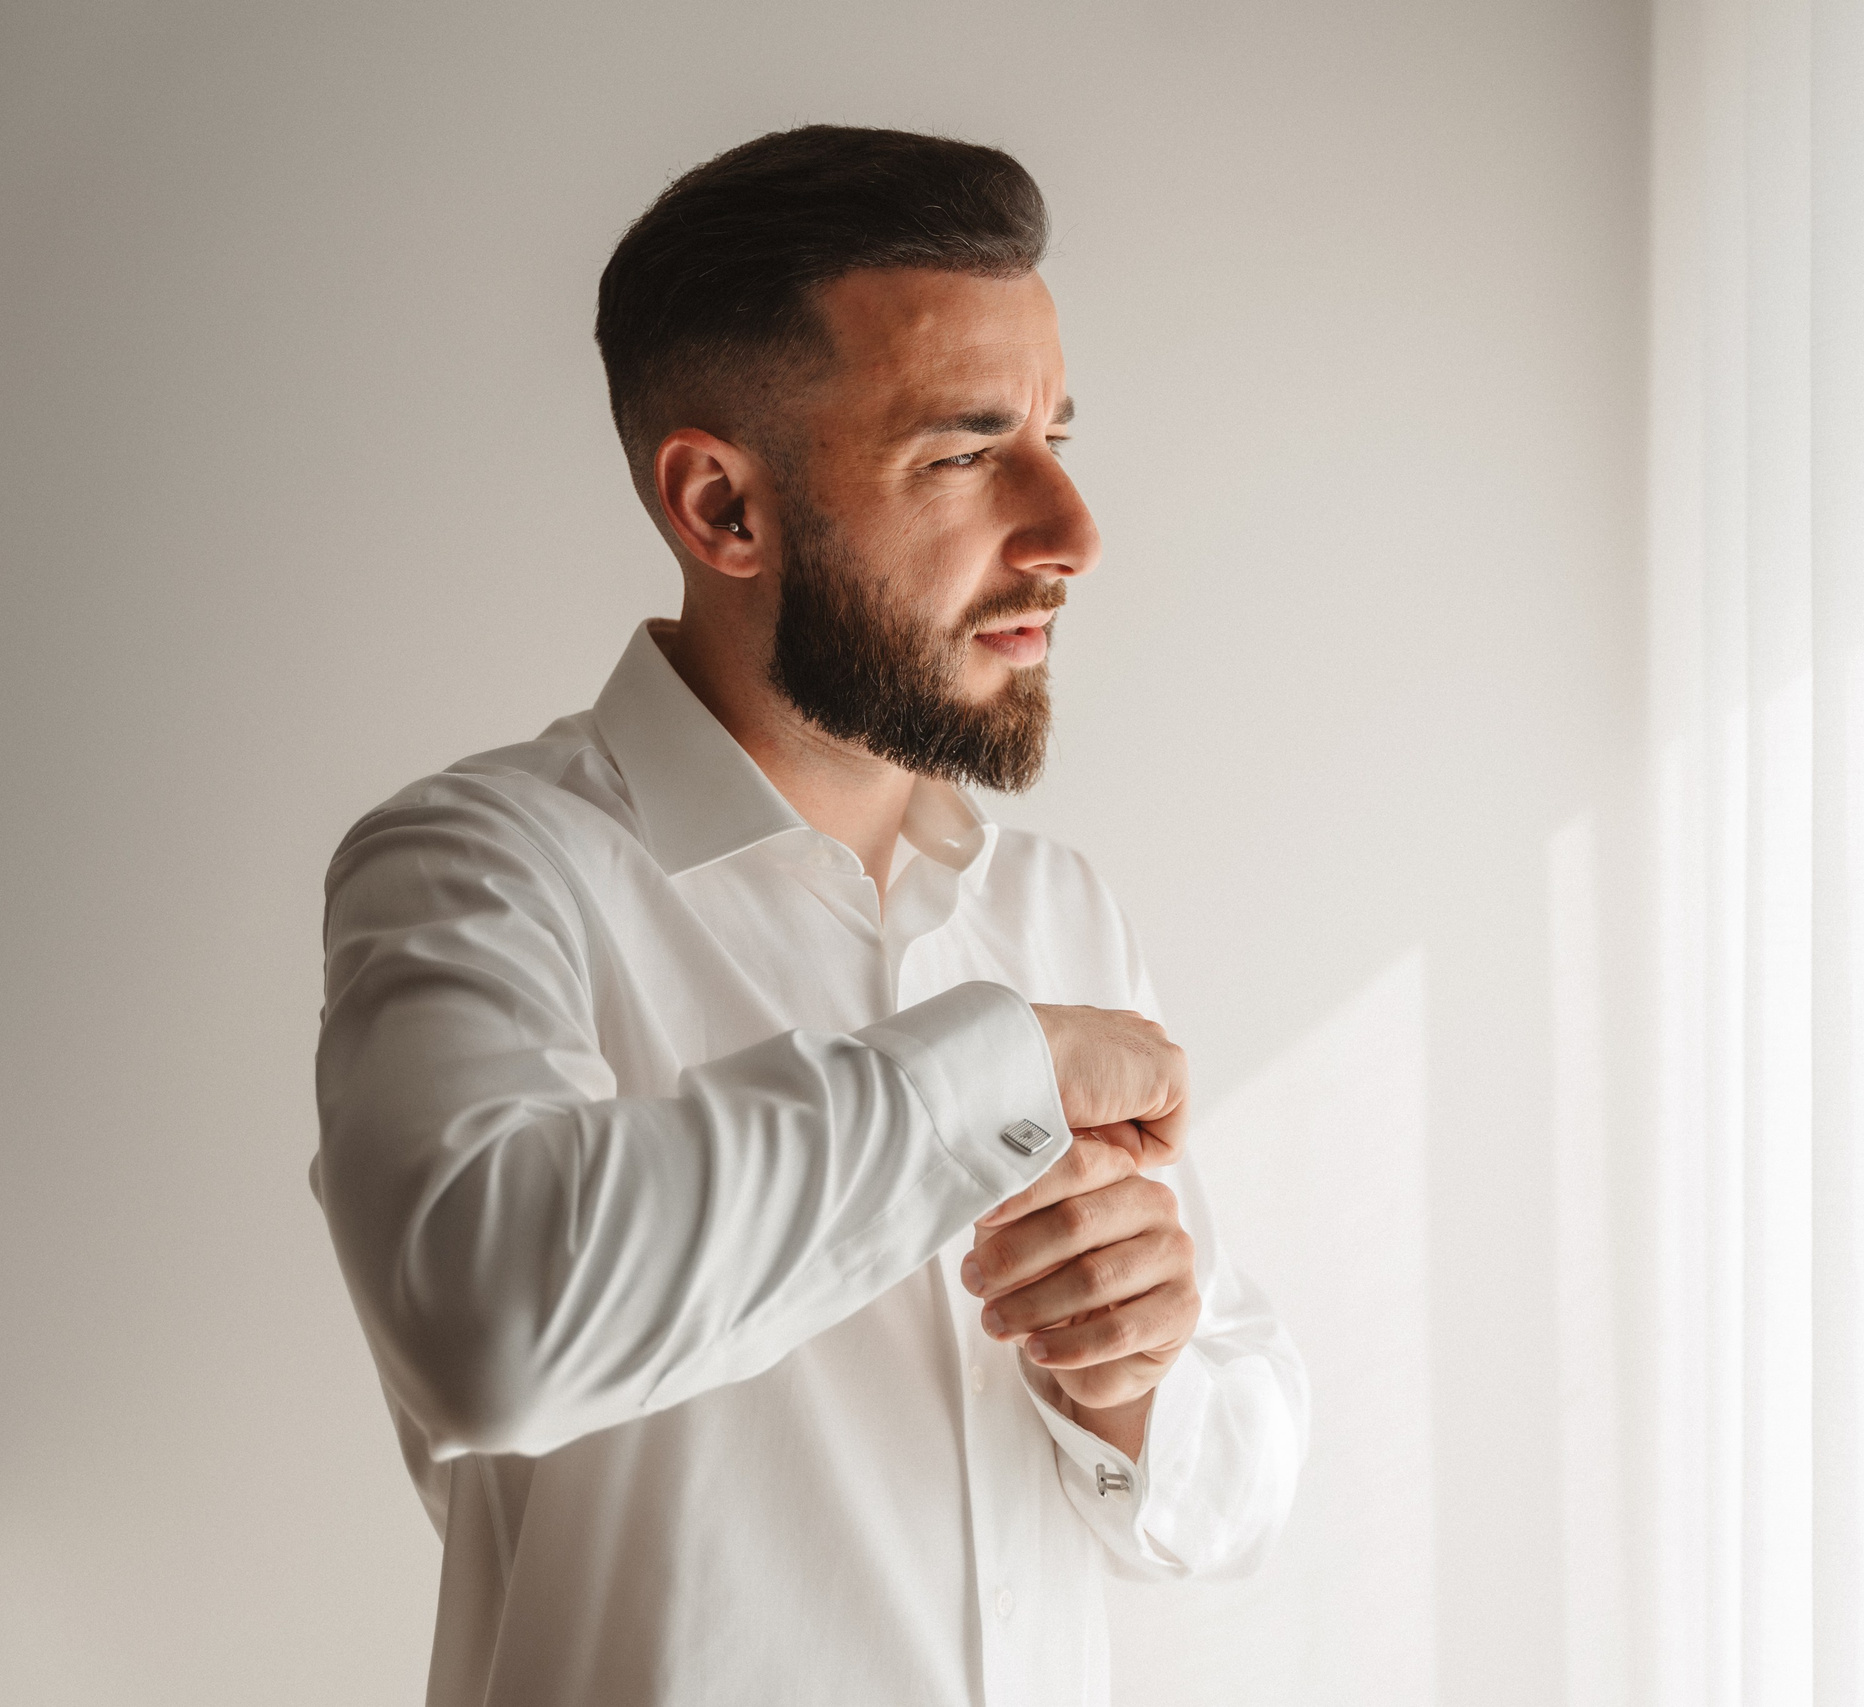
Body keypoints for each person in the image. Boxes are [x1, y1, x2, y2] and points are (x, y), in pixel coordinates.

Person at [310, 125, 1307, 1706]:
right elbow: (487, 1324)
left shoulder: (1053, 909)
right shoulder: (483, 868)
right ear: (722, 509)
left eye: (1057, 432)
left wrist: (1138, 1386)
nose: (1073, 529)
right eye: (968, 453)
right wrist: (996, 1077)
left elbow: (1236, 1490)